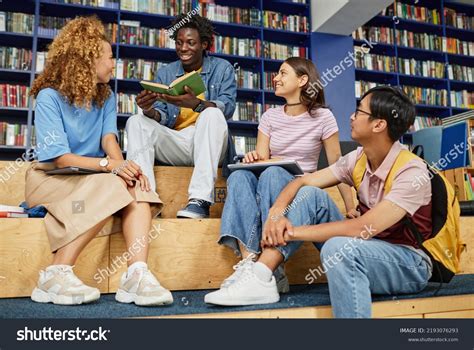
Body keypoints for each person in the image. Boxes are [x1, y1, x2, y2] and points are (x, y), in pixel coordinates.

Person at [205, 86, 434, 318]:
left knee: (339, 248)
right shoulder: (358, 158)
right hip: (365, 248)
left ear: (378, 125)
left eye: (359, 111)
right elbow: (302, 182)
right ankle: (261, 275)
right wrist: (275, 214)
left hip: (408, 262)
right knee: (311, 195)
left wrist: (291, 232)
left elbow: (361, 228)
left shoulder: (412, 171)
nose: (351, 116)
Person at [26, 16, 173, 306]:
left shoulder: (106, 96)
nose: (112, 64)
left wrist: (125, 168)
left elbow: (109, 141)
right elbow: (58, 158)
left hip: (91, 178)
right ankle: (55, 274)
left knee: (137, 186)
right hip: (51, 179)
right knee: (112, 187)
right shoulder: (48, 97)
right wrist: (111, 167)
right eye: (108, 57)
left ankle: (136, 275)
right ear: (87, 60)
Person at [207, 57, 356, 298]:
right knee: (239, 176)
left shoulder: (323, 117)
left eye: (283, 73)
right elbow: (263, 159)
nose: (275, 78)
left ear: (302, 80)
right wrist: (254, 157)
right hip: (269, 180)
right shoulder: (269, 117)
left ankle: (271, 263)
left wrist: (350, 206)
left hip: (299, 189)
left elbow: (337, 165)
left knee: (273, 173)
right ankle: (250, 264)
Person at [126, 14, 237, 219]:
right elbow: (164, 116)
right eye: (179, 42)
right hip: (177, 142)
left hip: (209, 144)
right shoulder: (166, 72)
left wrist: (196, 104)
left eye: (190, 43)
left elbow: (227, 107)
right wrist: (149, 110)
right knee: (135, 121)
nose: (183, 48)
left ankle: (199, 201)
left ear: (204, 44)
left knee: (212, 113)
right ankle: (146, 199)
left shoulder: (222, 69)